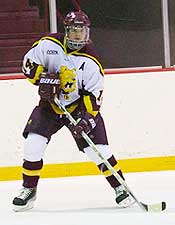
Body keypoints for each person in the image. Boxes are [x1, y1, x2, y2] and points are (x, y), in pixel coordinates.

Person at [12, 10, 133, 212]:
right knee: (33, 144)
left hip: (78, 107)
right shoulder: (48, 44)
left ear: (87, 32)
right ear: (66, 30)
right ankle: (28, 190)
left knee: (98, 151)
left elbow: (94, 97)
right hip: (50, 105)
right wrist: (46, 79)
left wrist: (85, 120)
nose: (78, 36)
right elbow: (28, 66)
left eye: (82, 32)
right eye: (74, 31)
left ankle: (120, 186)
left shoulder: (91, 61)